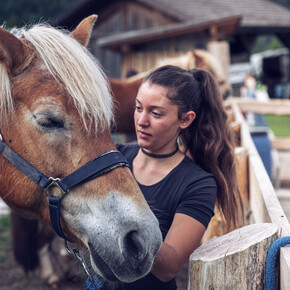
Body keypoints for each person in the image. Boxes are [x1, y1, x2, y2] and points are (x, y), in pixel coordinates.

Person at [106, 65, 243, 290]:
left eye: (156, 113)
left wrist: (117, 216)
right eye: (138, 108)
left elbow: (168, 266)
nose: (141, 120)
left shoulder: (198, 184)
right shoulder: (114, 157)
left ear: (185, 120)